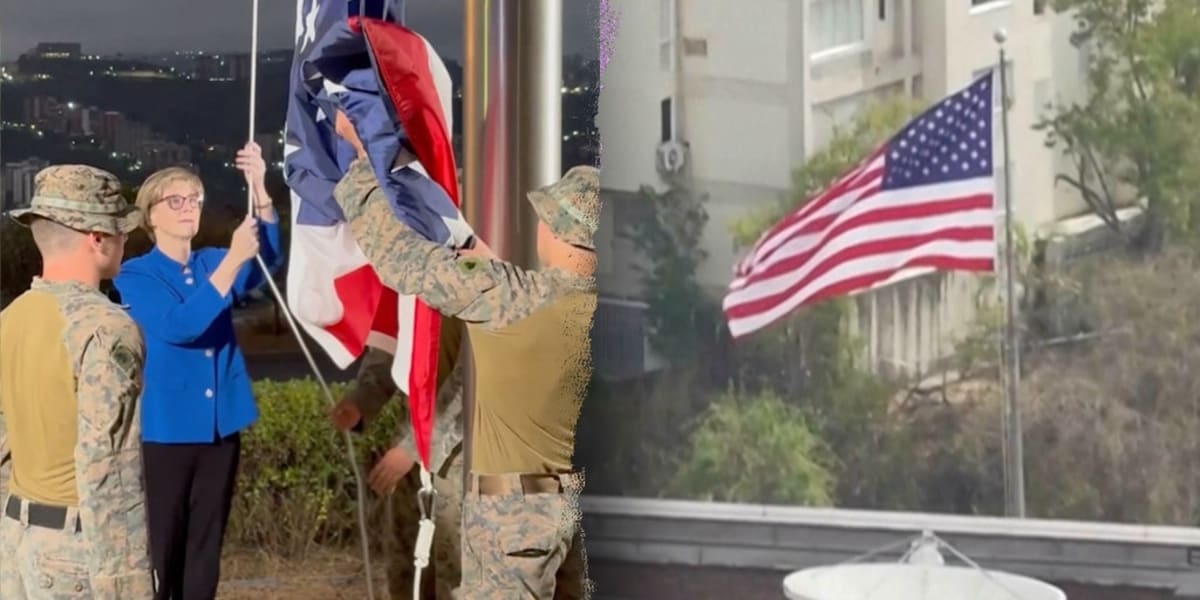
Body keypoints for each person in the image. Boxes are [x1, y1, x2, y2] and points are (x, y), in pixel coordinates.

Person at [332, 109, 599, 599]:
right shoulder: (591, 306)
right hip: (572, 507)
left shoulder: (514, 300)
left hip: (512, 518)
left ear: (556, 231)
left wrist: (365, 160)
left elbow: (402, 261)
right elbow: (493, 271)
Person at [111, 142, 284, 600]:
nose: (188, 207)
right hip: (166, 434)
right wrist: (231, 259)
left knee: (205, 548)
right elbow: (180, 327)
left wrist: (259, 190)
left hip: (219, 428)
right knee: (163, 545)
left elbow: (265, 261)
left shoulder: (209, 260)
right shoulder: (135, 275)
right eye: (176, 200)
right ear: (151, 216)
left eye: (194, 199)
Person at [0, 164, 156, 598]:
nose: (126, 241)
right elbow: (109, 465)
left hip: (15, 542)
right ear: (97, 238)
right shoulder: (105, 328)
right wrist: (128, 586)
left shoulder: (10, 320)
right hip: (75, 551)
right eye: (121, 231)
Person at [329, 318, 467, 599]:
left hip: (465, 459)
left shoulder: (484, 283)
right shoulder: (414, 285)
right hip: (413, 459)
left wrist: (415, 446)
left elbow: (475, 378)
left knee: (457, 578)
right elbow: (394, 344)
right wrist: (361, 400)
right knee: (406, 573)